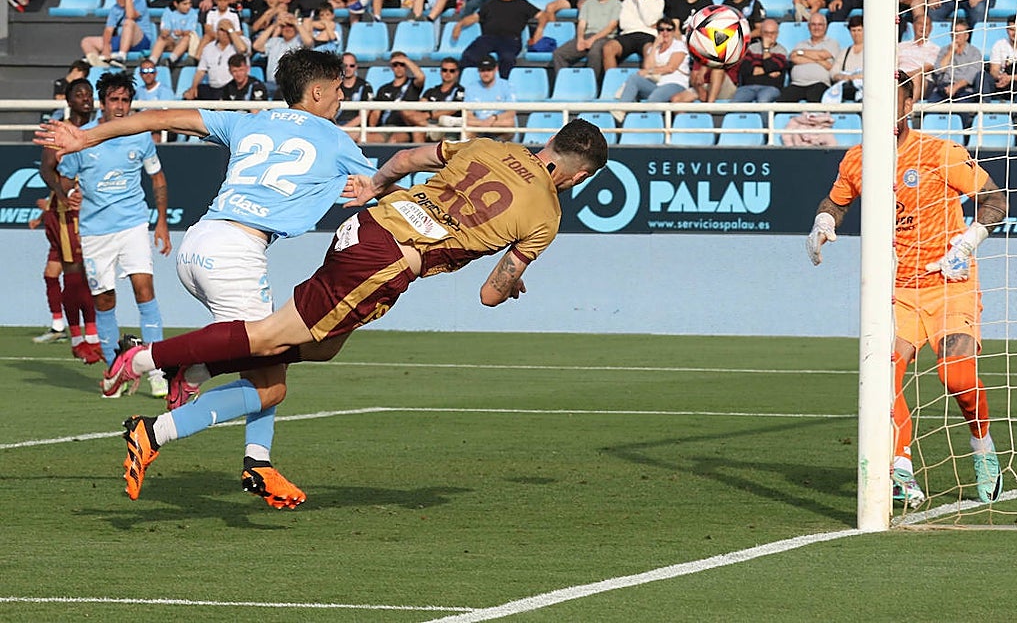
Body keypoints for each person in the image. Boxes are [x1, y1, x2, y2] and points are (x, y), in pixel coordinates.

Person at [85, 115, 606, 501]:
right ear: (576, 174)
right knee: (270, 339)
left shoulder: (492, 146)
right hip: (383, 263)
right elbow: (490, 294)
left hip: (368, 228)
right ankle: (148, 362)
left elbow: (406, 160)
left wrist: (376, 187)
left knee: (322, 348)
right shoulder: (547, 215)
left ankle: (196, 370)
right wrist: (514, 282)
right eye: (580, 179)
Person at [38, 49, 379, 507]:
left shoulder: (249, 121)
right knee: (272, 382)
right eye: (339, 89)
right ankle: (153, 417)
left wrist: (85, 138)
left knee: (277, 362)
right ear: (317, 91)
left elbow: (159, 117)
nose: (341, 98)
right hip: (236, 254)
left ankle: (256, 460)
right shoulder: (335, 139)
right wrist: (375, 186)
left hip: (199, 243)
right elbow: (388, 182)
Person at [807, 72, 1007, 508]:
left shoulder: (939, 152)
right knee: (884, 376)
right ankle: (900, 468)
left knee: (956, 378)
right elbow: (837, 201)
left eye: (891, 101)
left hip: (950, 281)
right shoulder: (857, 159)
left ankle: (982, 448)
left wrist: (968, 241)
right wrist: (824, 222)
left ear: (908, 107)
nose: (881, 109)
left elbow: (995, 200)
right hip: (898, 289)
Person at [48, 72, 171, 396]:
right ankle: (117, 369)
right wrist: (66, 193)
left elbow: (158, 180)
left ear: (131, 103)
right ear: (103, 103)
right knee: (104, 300)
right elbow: (63, 180)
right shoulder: (82, 137)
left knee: (145, 290)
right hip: (95, 232)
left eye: (125, 100)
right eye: (114, 100)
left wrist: (160, 222)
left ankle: (157, 370)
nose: (119, 106)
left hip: (132, 225)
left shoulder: (141, 135)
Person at [33, 79, 102, 361]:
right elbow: (47, 170)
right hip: (68, 215)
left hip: (100, 210)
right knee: (73, 274)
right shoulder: (59, 130)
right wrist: (63, 193)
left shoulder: (102, 128)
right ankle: (78, 336)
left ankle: (92, 334)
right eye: (79, 94)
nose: (85, 98)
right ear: (69, 100)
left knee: (94, 274)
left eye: (89, 94)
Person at [455, 0, 541, 76]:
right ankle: (465, 85)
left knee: (507, 58)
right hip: (488, 38)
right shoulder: (491, 3)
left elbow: (543, 16)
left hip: (510, 40)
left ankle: (501, 87)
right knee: (469, 56)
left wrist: (539, 31)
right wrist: (459, 25)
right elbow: (474, 17)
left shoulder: (523, 4)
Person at [612, 19, 690, 118]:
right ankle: (621, 111)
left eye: (668, 29)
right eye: (661, 29)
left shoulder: (678, 46)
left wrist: (650, 71)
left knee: (655, 97)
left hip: (675, 83)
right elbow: (647, 66)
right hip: (658, 84)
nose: (665, 32)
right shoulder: (655, 47)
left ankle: (652, 128)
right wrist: (655, 46)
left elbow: (671, 68)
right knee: (634, 78)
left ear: (673, 31)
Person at [80, 0, 154, 66]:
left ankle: (121, 57)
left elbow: (130, 16)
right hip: (122, 39)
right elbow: (108, 30)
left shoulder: (140, 3)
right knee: (87, 41)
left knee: (128, 22)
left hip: (140, 41)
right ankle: (98, 63)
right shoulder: (114, 8)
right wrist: (106, 47)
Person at [601, 0, 664, 70]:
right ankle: (611, 83)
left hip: (647, 35)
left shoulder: (658, 1)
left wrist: (639, 0)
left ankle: (646, 82)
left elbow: (649, 20)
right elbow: (624, 24)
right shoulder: (628, 1)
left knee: (650, 51)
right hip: (628, 34)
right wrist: (645, 23)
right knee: (608, 48)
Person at [778, 12, 840, 103]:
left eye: (820, 25)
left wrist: (802, 53)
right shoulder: (801, 44)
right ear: (808, 27)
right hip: (797, 84)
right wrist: (820, 61)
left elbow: (823, 54)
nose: (816, 28)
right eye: (813, 24)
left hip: (819, 83)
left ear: (825, 27)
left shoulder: (832, 43)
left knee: (814, 98)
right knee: (782, 101)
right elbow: (794, 57)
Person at [368, 53, 426, 142]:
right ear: (391, 67)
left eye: (402, 64)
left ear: (406, 66)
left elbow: (421, 77)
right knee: (364, 139)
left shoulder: (413, 84)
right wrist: (372, 130)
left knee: (393, 141)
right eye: (395, 65)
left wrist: (406, 60)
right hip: (384, 128)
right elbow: (376, 113)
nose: (399, 68)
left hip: (404, 128)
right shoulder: (384, 88)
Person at [927, 20, 984, 103]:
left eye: (960, 32)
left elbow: (970, 76)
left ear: (966, 36)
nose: (957, 35)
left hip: (964, 88)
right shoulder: (944, 50)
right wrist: (950, 52)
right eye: (955, 32)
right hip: (944, 87)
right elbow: (938, 70)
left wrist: (955, 87)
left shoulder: (975, 53)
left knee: (961, 107)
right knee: (930, 107)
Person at [731, 18, 786, 103]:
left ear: (777, 34)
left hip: (771, 87)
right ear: (761, 33)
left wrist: (766, 48)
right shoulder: (752, 48)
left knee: (763, 100)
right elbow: (744, 69)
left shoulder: (781, 51)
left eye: (772, 33)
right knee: (736, 101)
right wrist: (767, 71)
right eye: (766, 33)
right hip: (748, 86)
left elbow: (769, 66)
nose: (769, 36)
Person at [148, 0, 201, 68]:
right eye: (185, 4)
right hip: (171, 41)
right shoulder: (168, 11)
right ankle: (152, 61)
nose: (188, 6)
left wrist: (182, 33)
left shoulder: (192, 13)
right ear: (176, 4)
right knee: (162, 38)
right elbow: (165, 28)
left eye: (189, 3)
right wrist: (165, 32)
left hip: (184, 43)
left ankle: (171, 60)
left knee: (187, 38)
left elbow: (189, 31)